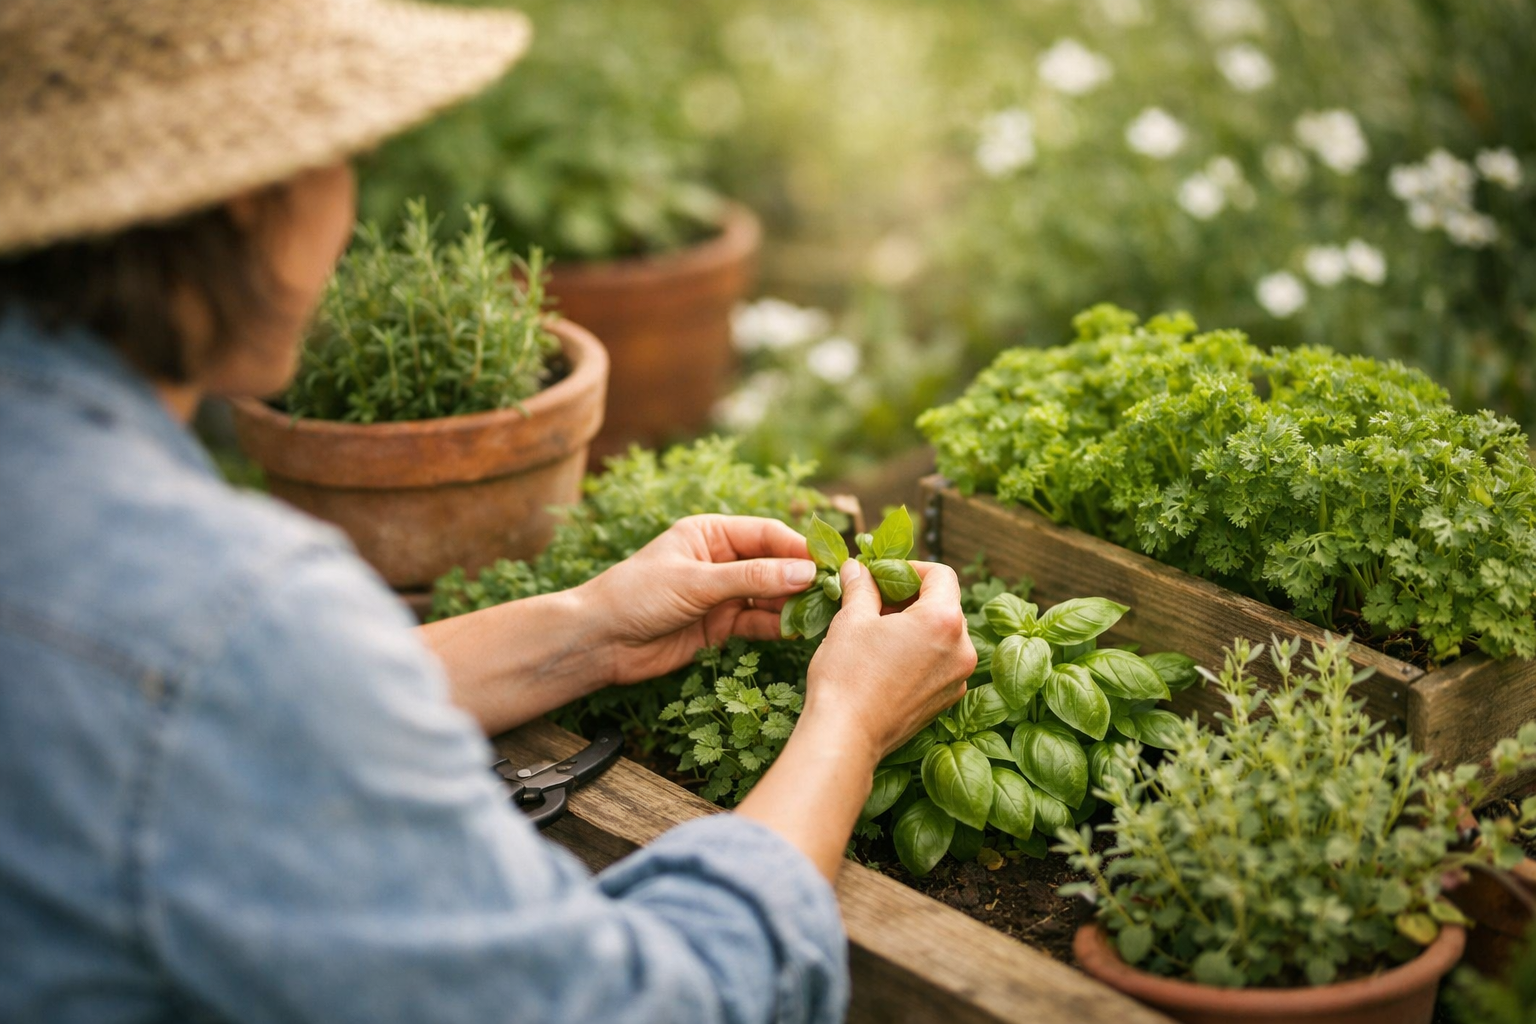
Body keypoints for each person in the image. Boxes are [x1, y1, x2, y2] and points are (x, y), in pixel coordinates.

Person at [0, 3, 978, 1023]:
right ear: (250, 198)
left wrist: (584, 630)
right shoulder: (235, 614)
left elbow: (192, 709)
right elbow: (649, 1005)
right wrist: (848, 724)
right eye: (344, 156)